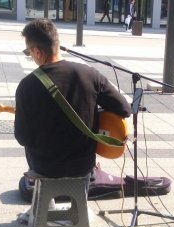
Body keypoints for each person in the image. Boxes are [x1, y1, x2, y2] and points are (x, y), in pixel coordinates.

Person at [15, 18, 131, 180]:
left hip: (45, 168)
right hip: (83, 168)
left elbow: (22, 138)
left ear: (37, 51)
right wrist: (93, 114)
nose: (31, 57)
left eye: (28, 53)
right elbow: (124, 109)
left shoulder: (27, 85)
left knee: (24, 181)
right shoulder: (90, 74)